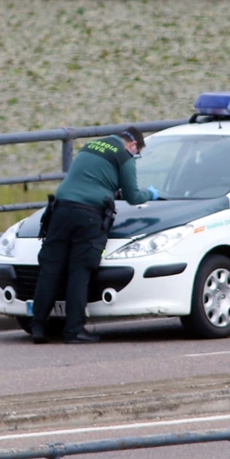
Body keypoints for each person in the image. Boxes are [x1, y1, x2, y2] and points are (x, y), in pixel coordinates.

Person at [30, 127, 159, 344]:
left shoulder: (90, 146)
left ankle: (38, 327)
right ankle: (74, 331)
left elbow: (91, 178)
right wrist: (151, 194)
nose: (135, 156)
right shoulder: (123, 156)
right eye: (137, 153)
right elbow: (133, 196)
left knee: (50, 268)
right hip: (88, 215)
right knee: (80, 271)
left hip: (60, 210)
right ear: (133, 145)